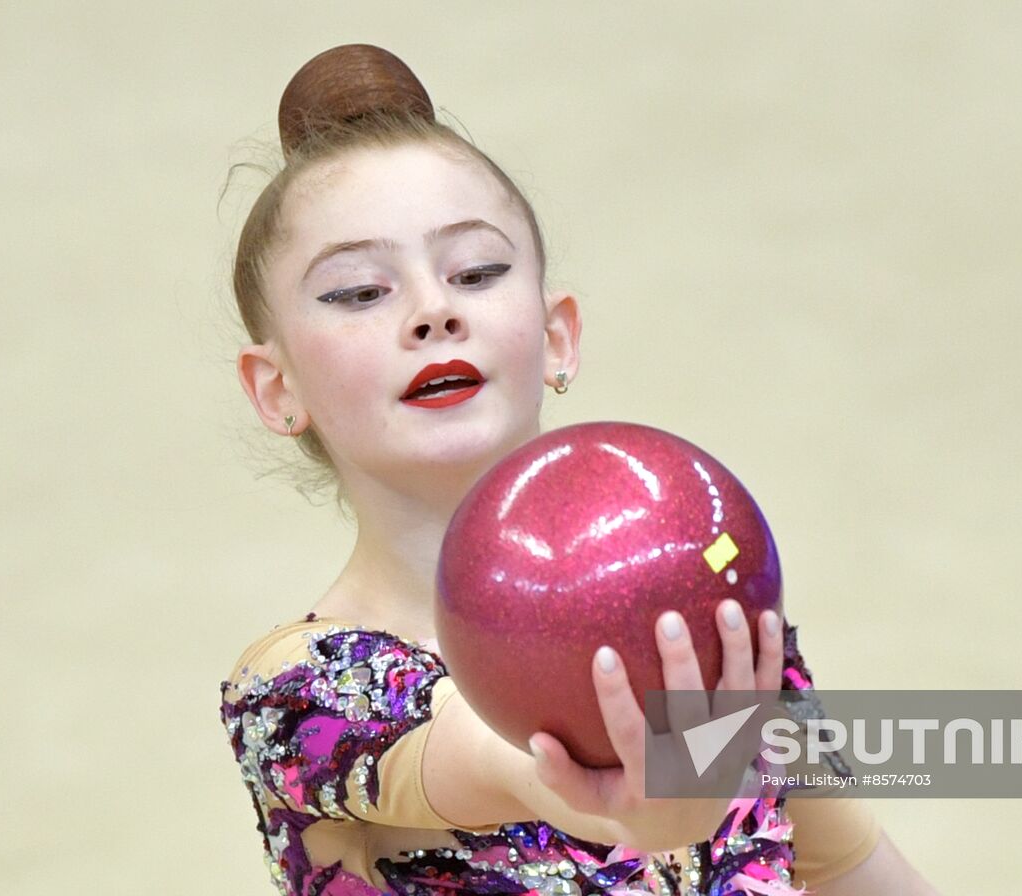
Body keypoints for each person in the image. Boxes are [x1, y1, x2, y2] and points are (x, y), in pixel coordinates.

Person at [219, 44, 937, 896]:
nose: (433, 311)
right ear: (277, 387)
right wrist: (621, 805)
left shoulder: (706, 621)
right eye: (359, 292)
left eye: (477, 272)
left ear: (557, 335)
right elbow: (498, 757)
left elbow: (858, 871)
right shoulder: (295, 694)